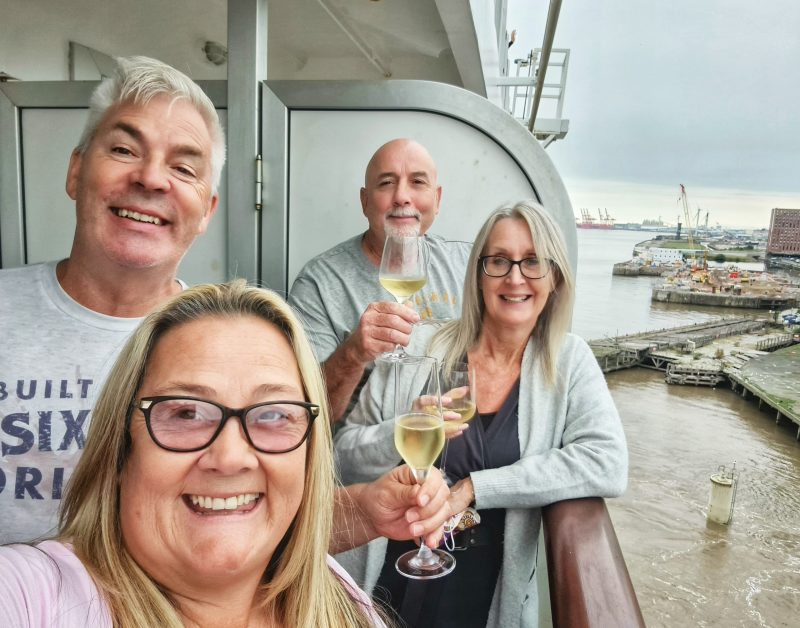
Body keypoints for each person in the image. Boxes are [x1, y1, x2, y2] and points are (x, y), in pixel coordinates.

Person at [0, 57, 449, 551]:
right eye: (125, 149)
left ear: (207, 209)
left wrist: (364, 509)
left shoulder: (228, 346)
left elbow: (256, 524)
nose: (151, 179)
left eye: (183, 167)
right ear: (76, 170)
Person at [0, 280, 426, 626]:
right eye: (186, 413)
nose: (230, 457)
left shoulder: (340, 601)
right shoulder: (35, 595)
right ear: (120, 452)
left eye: (273, 415)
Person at [334, 201, 629, 627]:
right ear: (478, 273)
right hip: (390, 574)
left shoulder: (570, 361)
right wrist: (400, 431)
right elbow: (344, 455)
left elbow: (607, 463)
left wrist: (476, 486)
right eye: (499, 261)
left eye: (533, 262)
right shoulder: (420, 348)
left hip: (481, 596)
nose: (515, 278)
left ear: (556, 277)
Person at [288, 138, 472, 422]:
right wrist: (353, 354)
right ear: (364, 201)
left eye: (417, 182)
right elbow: (309, 413)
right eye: (386, 183)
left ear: (437, 200)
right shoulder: (320, 283)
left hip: (458, 445)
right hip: (362, 458)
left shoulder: (467, 264)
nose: (401, 197)